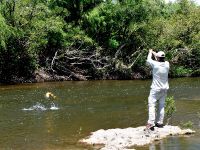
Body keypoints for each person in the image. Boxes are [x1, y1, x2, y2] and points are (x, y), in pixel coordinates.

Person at [145, 49, 170, 131]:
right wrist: (154, 53)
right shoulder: (167, 64)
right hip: (164, 89)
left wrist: (150, 52)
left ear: (158, 58)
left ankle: (151, 123)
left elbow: (148, 59)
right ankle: (160, 123)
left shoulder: (155, 64)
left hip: (155, 89)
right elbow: (159, 58)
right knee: (161, 106)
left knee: (152, 105)